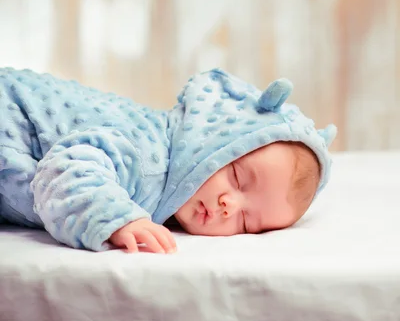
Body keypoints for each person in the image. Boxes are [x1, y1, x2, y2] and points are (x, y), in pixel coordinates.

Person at [0, 66, 336, 253]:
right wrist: (116, 219)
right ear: (212, 136)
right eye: (236, 177)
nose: (228, 205)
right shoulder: (150, 159)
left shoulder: (171, 194)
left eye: (247, 222)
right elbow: (66, 170)